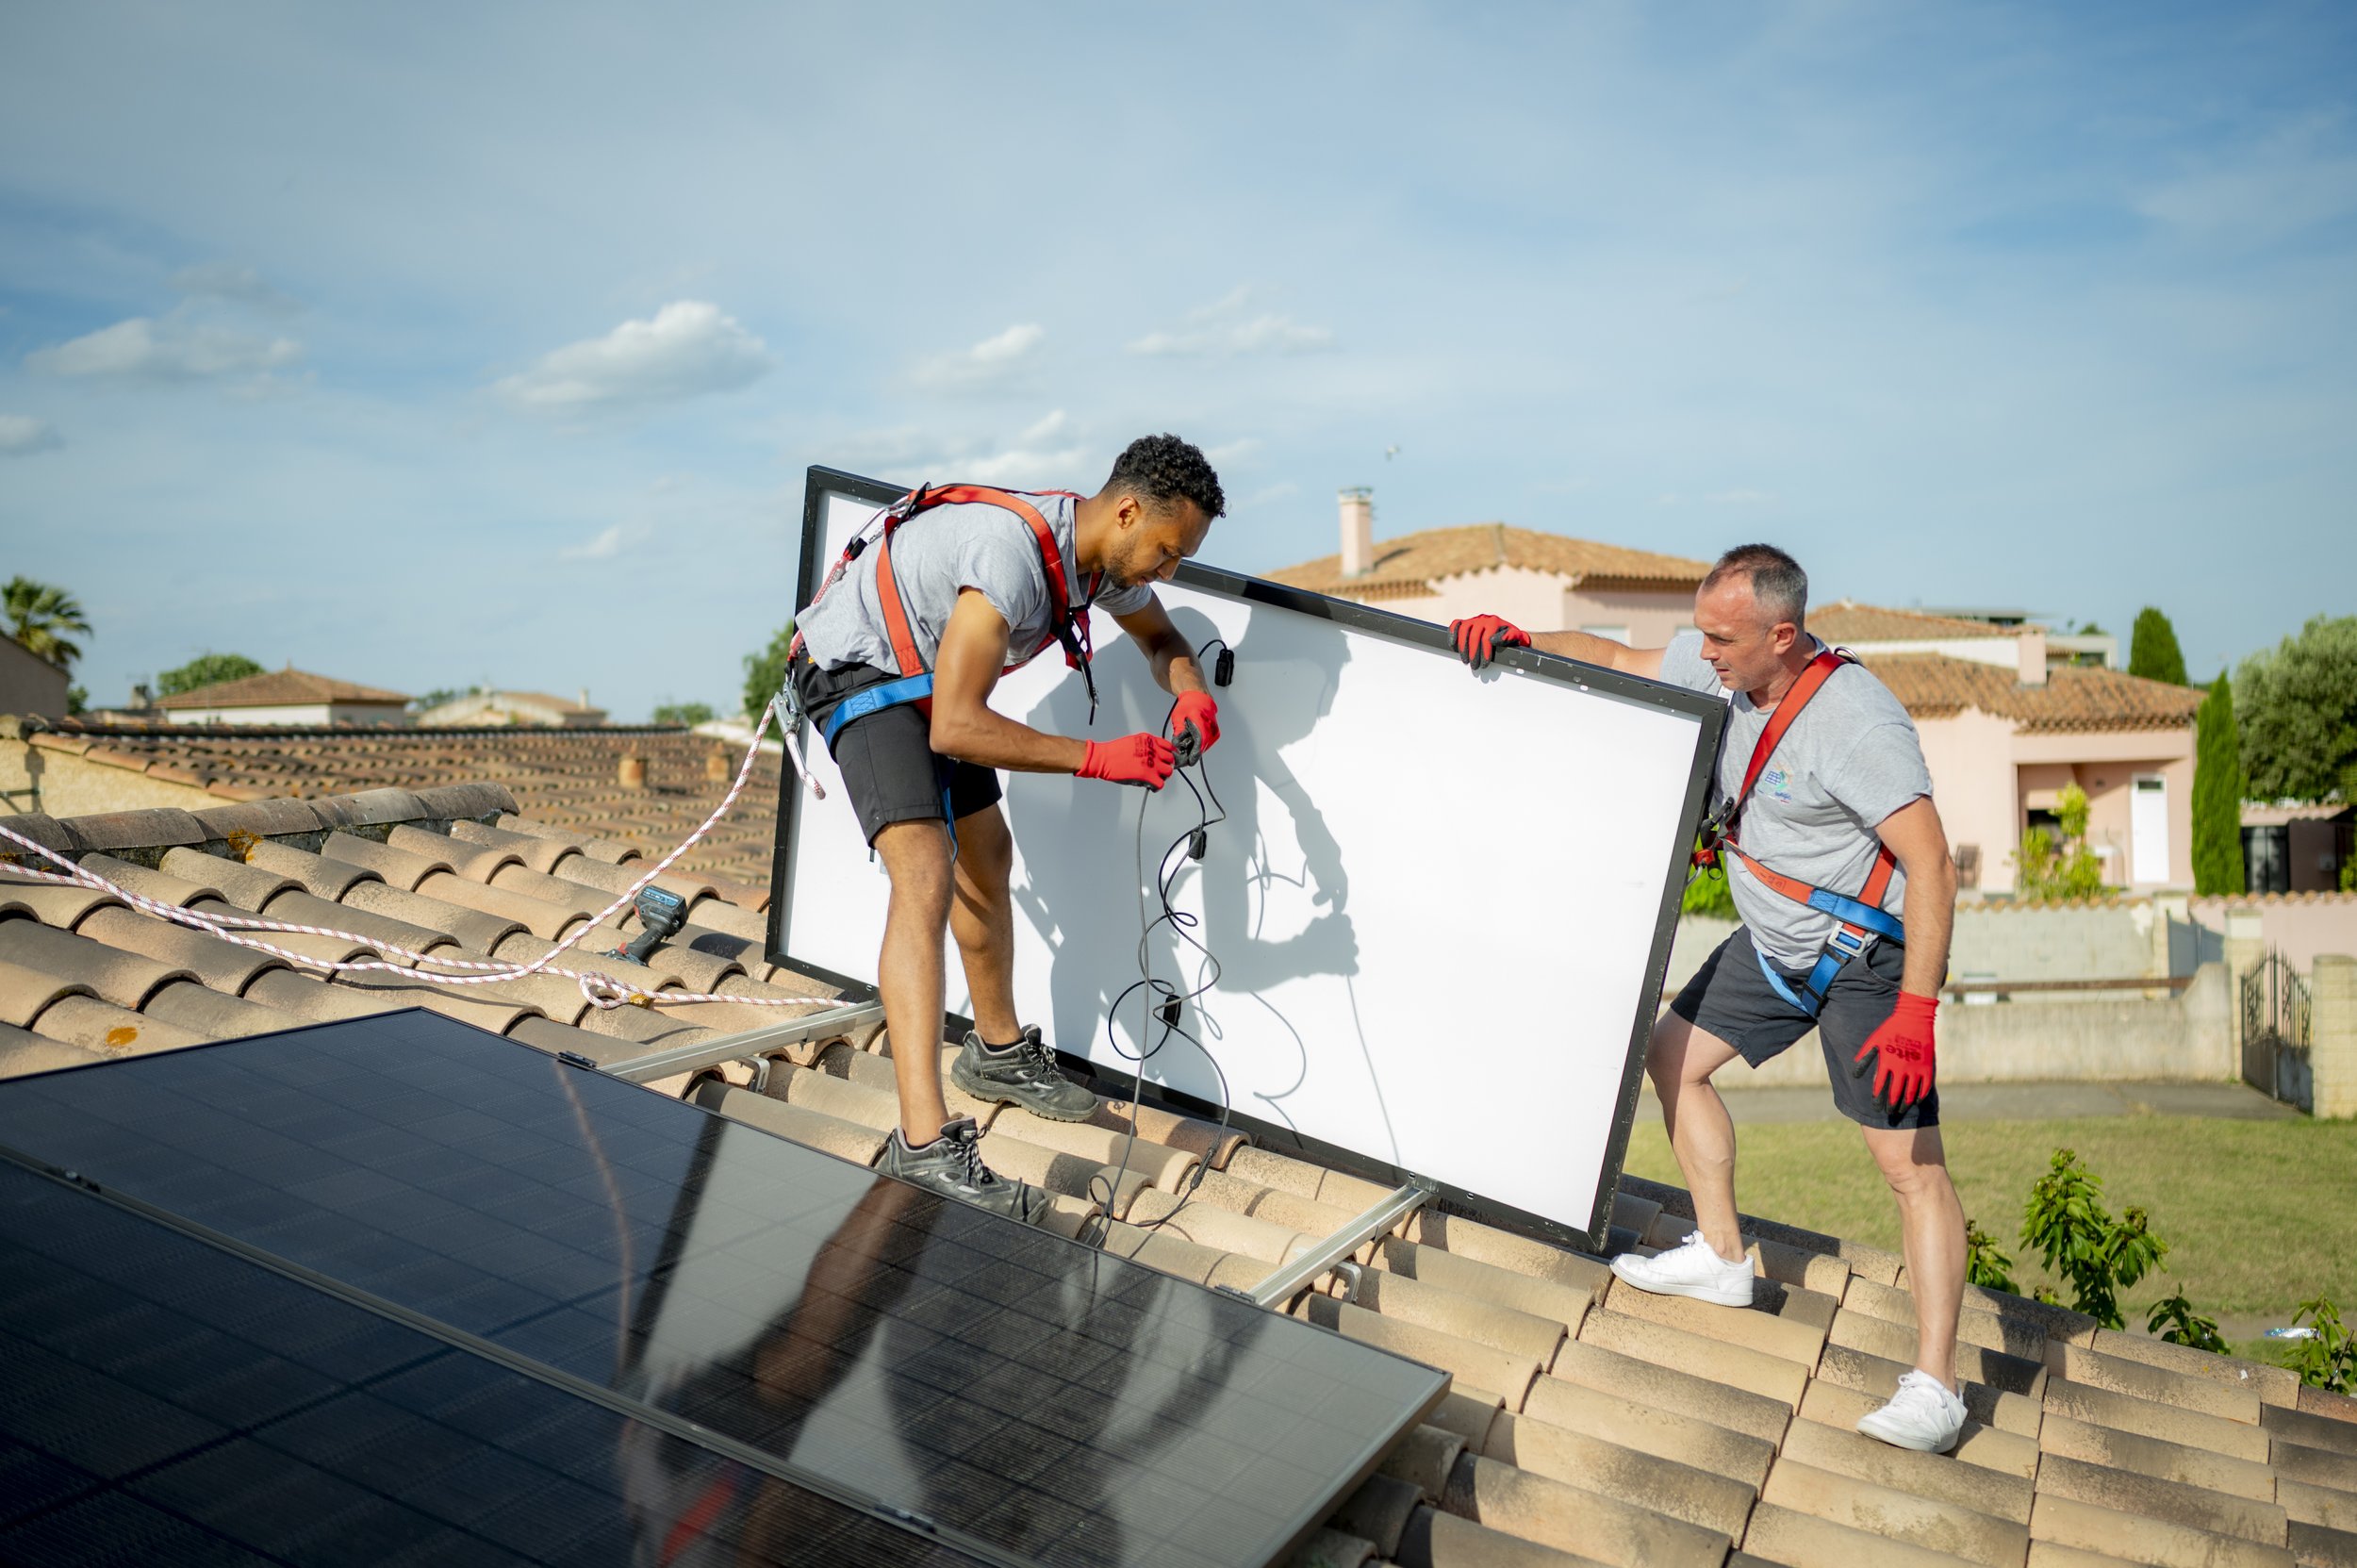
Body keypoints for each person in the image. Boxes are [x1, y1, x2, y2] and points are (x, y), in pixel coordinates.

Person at [1449, 543, 1970, 1455]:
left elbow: (1931, 861)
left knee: (1909, 1167)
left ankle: (1936, 1385)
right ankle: (1724, 1258)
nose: (1706, 655)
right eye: (1701, 634)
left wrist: (1917, 1012)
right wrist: (1523, 639)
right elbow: (1613, 657)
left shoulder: (1856, 722)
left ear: (1783, 633)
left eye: (1722, 639)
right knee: (1670, 1059)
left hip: (1862, 956)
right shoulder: (1721, 662)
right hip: (1772, 947)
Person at [788, 434, 1226, 1220]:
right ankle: (921, 1144)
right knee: (923, 871)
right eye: (1166, 551)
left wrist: (1192, 692)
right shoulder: (1013, 559)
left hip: (922, 676)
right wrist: (1099, 758)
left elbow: (1162, 639)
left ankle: (993, 1055)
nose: (1168, 573)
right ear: (1126, 512)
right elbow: (957, 724)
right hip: (858, 667)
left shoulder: (1099, 560)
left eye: (1180, 559)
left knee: (986, 852)